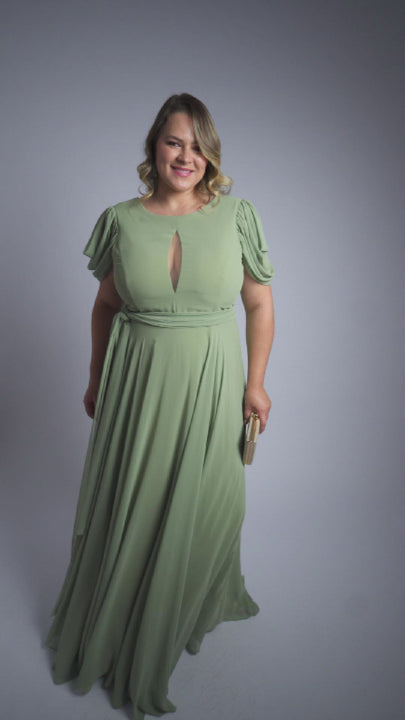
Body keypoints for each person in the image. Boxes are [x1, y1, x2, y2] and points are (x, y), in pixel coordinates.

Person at [45, 92, 275, 720]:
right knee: (135, 496)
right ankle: (128, 608)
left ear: (211, 156)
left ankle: (190, 601)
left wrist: (256, 384)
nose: (185, 156)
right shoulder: (121, 219)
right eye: (175, 141)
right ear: (155, 145)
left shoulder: (238, 216)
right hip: (137, 382)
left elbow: (259, 303)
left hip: (213, 378)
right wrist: (96, 376)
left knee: (216, 502)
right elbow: (105, 305)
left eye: (198, 146)